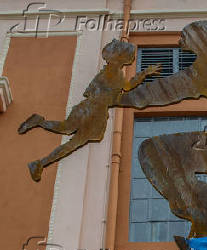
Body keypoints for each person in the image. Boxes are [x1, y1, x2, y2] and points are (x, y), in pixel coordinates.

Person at [18, 39, 161, 182]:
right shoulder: (113, 72)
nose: (129, 59)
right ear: (120, 56)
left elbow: (126, 87)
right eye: (127, 56)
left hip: (93, 110)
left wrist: (144, 74)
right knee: (68, 137)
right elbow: (124, 88)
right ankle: (39, 157)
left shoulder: (114, 72)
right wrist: (143, 75)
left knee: (67, 133)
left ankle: (40, 157)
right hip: (93, 110)